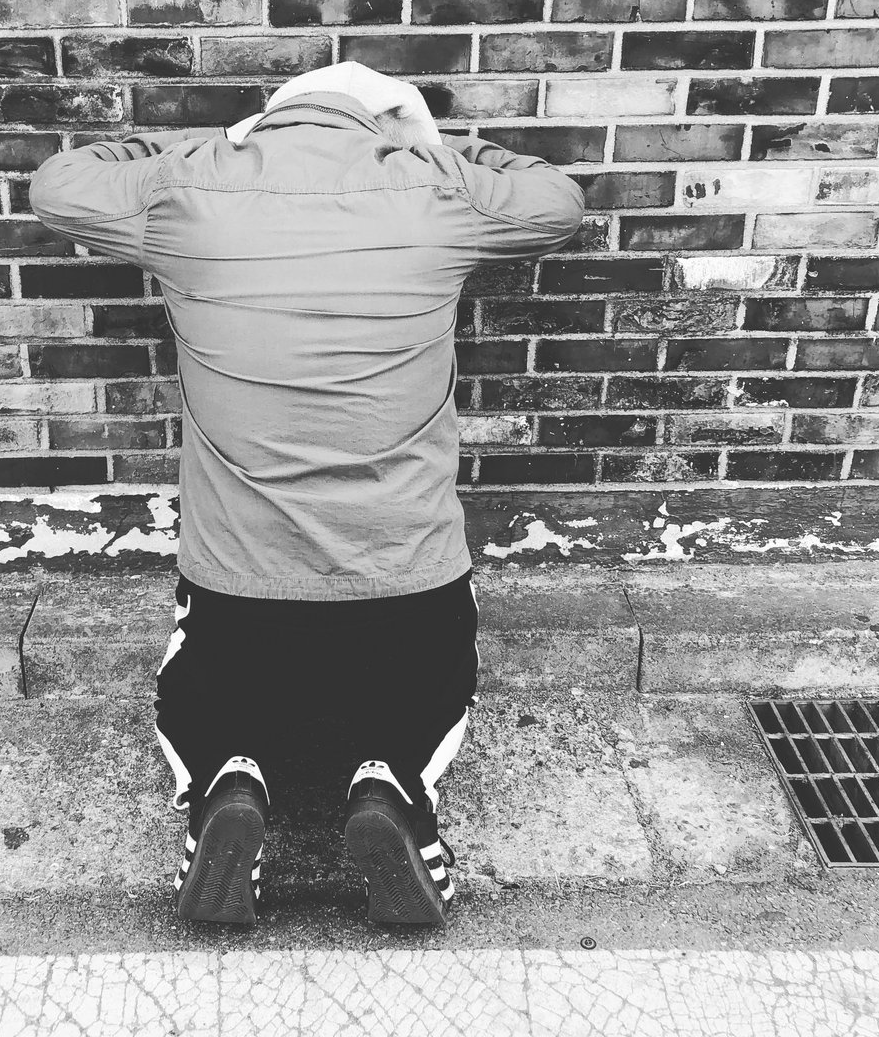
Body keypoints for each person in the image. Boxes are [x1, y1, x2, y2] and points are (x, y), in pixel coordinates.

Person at [29, 61, 585, 927]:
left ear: (270, 117)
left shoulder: (188, 186)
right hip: (405, 571)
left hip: (239, 578)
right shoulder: (439, 188)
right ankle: (395, 789)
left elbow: (58, 184)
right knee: (430, 687)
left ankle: (225, 782)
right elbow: (557, 200)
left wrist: (202, 148)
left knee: (203, 691)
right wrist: (435, 145)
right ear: (385, 121)